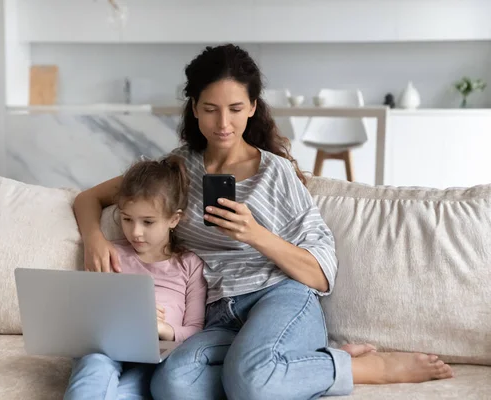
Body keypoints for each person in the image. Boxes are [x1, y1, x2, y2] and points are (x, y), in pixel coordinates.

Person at [73, 44, 453, 400]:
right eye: (210, 108)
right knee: (173, 385)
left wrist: (255, 234)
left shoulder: (276, 173)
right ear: (194, 108)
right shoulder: (176, 170)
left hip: (281, 298)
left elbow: (321, 273)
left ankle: (364, 368)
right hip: (220, 315)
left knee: (251, 381)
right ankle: (293, 365)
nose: (223, 123)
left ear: (253, 107)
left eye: (235, 108)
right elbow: (89, 197)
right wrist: (95, 239)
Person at [64, 156, 207, 400]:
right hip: (105, 350)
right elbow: (88, 310)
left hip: (155, 356)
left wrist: (164, 329)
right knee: (94, 368)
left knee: (128, 392)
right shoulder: (111, 253)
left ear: (174, 219)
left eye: (148, 222)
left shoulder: (189, 265)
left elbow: (196, 329)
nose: (135, 232)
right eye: (127, 219)